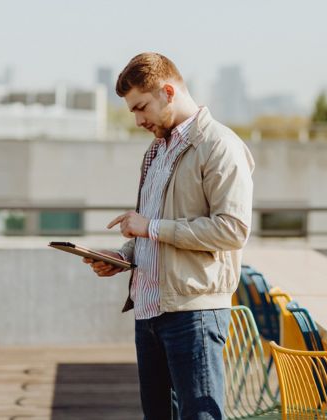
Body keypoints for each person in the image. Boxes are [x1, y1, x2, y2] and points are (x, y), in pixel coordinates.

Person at [83, 52, 254, 420]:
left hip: (193, 311)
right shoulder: (155, 152)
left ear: (168, 91)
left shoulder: (219, 145)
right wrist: (124, 256)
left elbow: (233, 229)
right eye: (132, 111)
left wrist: (150, 227)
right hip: (148, 311)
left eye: (141, 107)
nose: (139, 119)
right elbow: (154, 229)